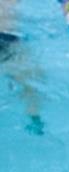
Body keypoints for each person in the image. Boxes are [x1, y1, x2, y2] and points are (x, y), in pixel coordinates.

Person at [1, 0, 44, 134]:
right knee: (31, 80)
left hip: (9, 39)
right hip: (9, 40)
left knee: (31, 80)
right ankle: (35, 119)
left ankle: (35, 118)